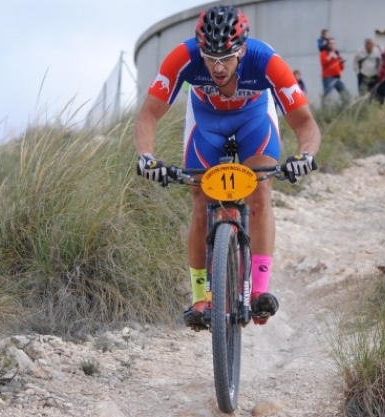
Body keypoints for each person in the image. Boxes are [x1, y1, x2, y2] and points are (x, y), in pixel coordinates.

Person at [134, 5, 321, 327]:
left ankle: (259, 291)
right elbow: (148, 114)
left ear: (242, 50)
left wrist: (305, 156)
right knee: (201, 198)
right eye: (210, 58)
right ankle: (199, 298)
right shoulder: (184, 57)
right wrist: (147, 157)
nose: (217, 68)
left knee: (260, 193)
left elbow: (305, 123)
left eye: (226, 58)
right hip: (206, 121)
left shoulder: (266, 60)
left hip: (254, 119)